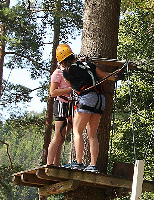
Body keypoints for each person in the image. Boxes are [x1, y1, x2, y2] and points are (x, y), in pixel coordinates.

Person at [56, 43, 120, 172]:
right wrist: (118, 76)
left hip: (86, 98)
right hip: (100, 99)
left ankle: (78, 162)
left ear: (62, 61)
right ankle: (93, 164)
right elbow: (104, 75)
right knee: (93, 134)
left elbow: (73, 87)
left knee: (77, 131)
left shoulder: (67, 72)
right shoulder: (88, 65)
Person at [46, 59, 73, 166]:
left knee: (63, 137)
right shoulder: (58, 73)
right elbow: (52, 92)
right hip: (61, 104)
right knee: (58, 135)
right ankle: (49, 163)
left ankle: (56, 164)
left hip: (71, 105)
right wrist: (69, 89)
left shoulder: (71, 72)